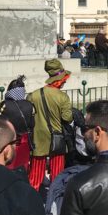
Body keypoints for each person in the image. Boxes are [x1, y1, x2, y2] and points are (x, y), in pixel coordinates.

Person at [27, 58, 73, 191]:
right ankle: (55, 198)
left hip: (38, 138)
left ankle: (32, 198)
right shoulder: (62, 97)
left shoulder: (33, 95)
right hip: (57, 138)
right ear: (60, 79)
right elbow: (67, 118)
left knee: (35, 175)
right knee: (57, 175)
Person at [0, 75, 35, 172]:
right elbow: (32, 124)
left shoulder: (5, 105)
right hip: (25, 142)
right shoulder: (29, 105)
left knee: (8, 167)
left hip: (8, 141)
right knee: (23, 167)